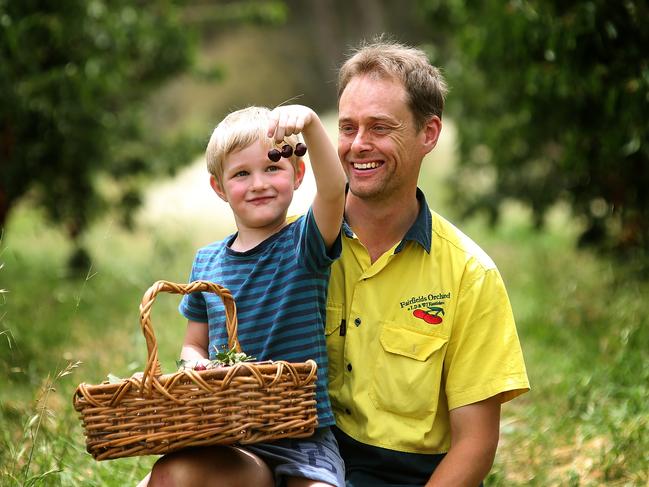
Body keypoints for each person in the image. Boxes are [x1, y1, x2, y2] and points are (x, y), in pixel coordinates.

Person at [324, 39, 530, 486]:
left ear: (428, 133)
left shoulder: (470, 276)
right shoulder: (294, 250)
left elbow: (474, 444)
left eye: (380, 127)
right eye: (347, 127)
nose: (359, 145)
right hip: (298, 460)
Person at [142, 104, 347, 487]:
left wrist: (312, 125)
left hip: (302, 436)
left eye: (272, 167)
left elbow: (335, 190)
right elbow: (193, 345)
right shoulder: (207, 262)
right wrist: (196, 365)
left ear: (298, 173)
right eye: (241, 173)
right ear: (219, 187)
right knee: (169, 476)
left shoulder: (305, 242)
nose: (259, 183)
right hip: (233, 436)